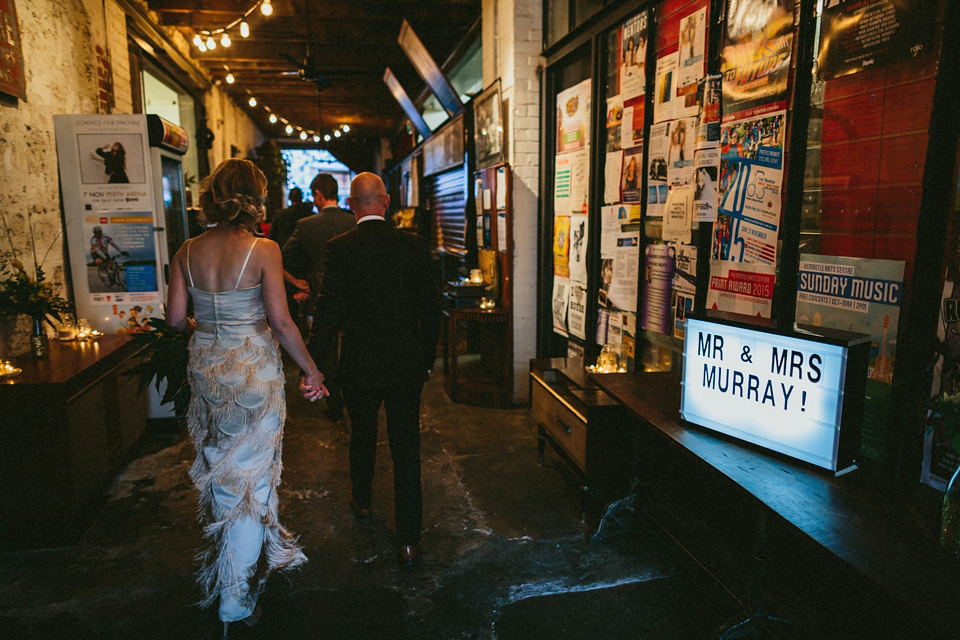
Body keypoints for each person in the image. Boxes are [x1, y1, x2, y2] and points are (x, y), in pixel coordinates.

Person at [165, 158, 326, 638]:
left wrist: (209, 328)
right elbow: (280, 322)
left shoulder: (187, 250)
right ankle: (234, 599)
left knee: (223, 468)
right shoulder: (264, 249)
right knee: (251, 478)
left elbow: (175, 320)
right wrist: (313, 370)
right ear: (254, 198)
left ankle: (250, 558)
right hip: (253, 372)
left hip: (208, 373)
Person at [307, 172, 441, 567]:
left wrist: (313, 366)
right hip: (404, 363)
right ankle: (409, 540)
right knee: (406, 447)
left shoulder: (340, 249)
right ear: (385, 202)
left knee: (362, 433)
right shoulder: (414, 246)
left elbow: (327, 314)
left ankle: (363, 500)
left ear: (351, 205)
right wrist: (425, 362)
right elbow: (431, 313)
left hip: (360, 361)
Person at [282, 173, 356, 420]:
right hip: (353, 297)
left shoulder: (306, 225)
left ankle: (333, 405)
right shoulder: (354, 221)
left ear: (318, 194)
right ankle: (354, 398)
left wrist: (297, 282)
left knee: (325, 352)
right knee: (352, 348)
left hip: (320, 297)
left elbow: (279, 258)